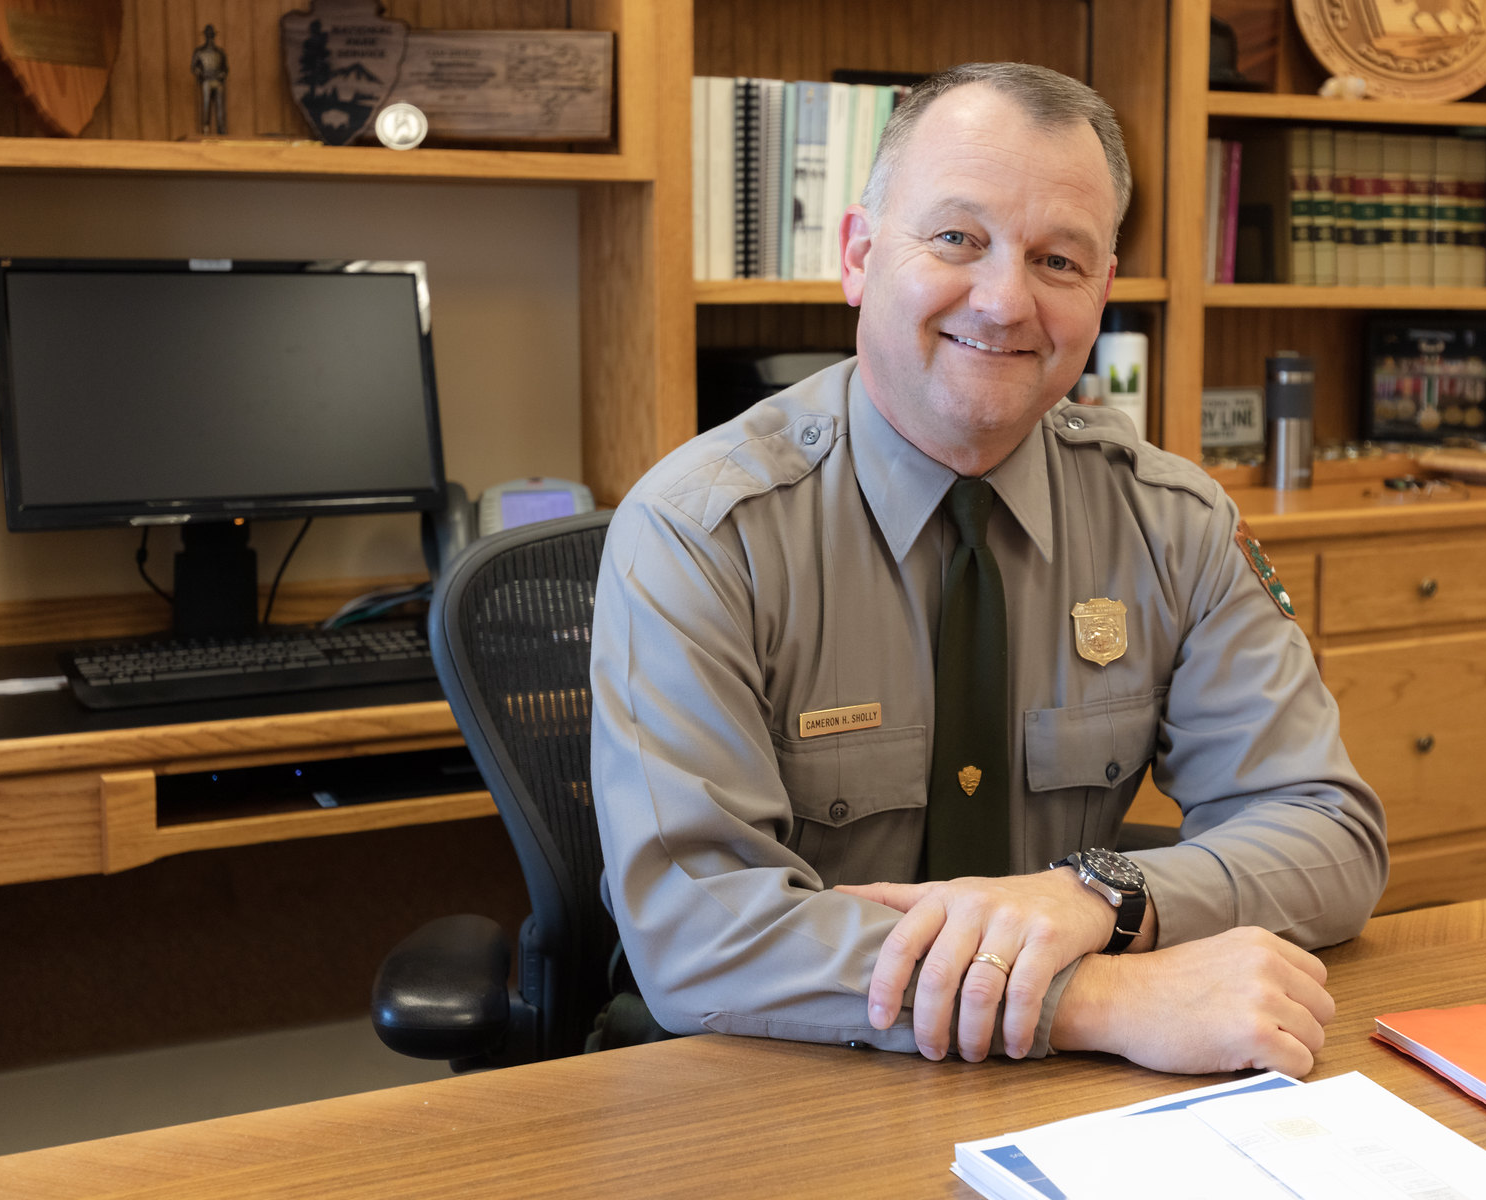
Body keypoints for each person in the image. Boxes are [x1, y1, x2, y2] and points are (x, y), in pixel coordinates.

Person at [590, 63, 1386, 1075]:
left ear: (1100, 292)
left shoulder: (1171, 523)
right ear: (859, 256)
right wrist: (1087, 993)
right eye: (956, 239)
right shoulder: (701, 532)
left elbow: (1327, 834)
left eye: (1057, 260)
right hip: (780, 1078)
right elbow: (695, 934)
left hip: (1060, 1105)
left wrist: (1095, 894)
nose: (1005, 300)